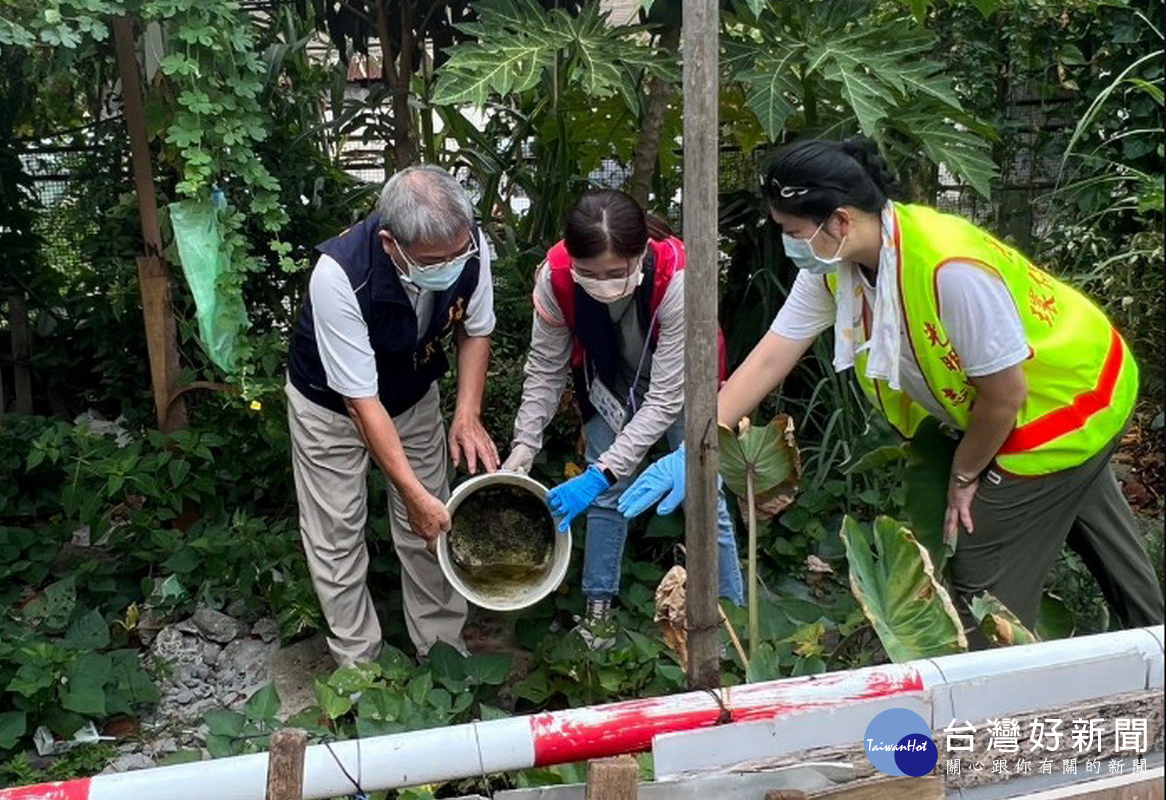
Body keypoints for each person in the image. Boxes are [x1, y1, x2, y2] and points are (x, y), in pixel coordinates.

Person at [620, 138, 1163, 646]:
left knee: (979, 587)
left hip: (1062, 408)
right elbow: (770, 356)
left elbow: (1004, 396)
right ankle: (1155, 652)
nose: (785, 242)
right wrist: (696, 449)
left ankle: (987, 723)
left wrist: (965, 474)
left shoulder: (951, 271)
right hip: (1071, 387)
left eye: (790, 229)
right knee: (1109, 551)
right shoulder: (837, 263)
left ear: (838, 219)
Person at [500, 189, 744, 644]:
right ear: (571, 258)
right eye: (589, 274)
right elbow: (545, 369)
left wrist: (601, 472)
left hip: (684, 384)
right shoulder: (554, 279)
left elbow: (666, 399)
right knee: (606, 497)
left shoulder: (679, 275)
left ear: (641, 254)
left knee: (705, 490)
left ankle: (732, 616)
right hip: (610, 380)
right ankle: (598, 614)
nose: (603, 283)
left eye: (617, 272)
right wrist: (524, 446)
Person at [285, 165, 499, 667]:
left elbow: (476, 328)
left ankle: (443, 652)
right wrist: (410, 493)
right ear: (389, 243)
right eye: (433, 260)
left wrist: (467, 412)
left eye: (458, 253)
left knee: (432, 526)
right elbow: (361, 404)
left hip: (412, 391)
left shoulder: (470, 245)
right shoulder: (338, 275)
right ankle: (359, 664)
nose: (449, 264)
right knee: (336, 532)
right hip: (329, 404)